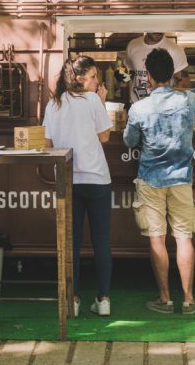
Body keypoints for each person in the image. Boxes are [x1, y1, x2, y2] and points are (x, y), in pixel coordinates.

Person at [123, 48, 195, 315]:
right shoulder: (188, 100)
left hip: (150, 179)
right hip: (182, 178)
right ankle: (189, 300)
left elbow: (129, 141)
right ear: (172, 74)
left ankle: (165, 299)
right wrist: (182, 84)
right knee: (184, 238)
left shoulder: (139, 108)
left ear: (147, 76)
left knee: (157, 240)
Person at [43, 56, 113, 317]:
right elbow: (105, 135)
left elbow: (48, 144)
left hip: (67, 179)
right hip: (97, 179)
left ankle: (72, 300)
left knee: (71, 243)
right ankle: (103, 300)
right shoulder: (93, 100)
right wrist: (102, 104)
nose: (97, 82)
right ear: (80, 78)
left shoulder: (53, 104)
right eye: (94, 76)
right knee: (101, 242)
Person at [125, 33, 189, 102]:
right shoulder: (133, 45)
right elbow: (133, 72)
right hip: (137, 105)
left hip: (164, 106)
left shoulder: (175, 50)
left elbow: (183, 82)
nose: (158, 31)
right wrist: (124, 77)